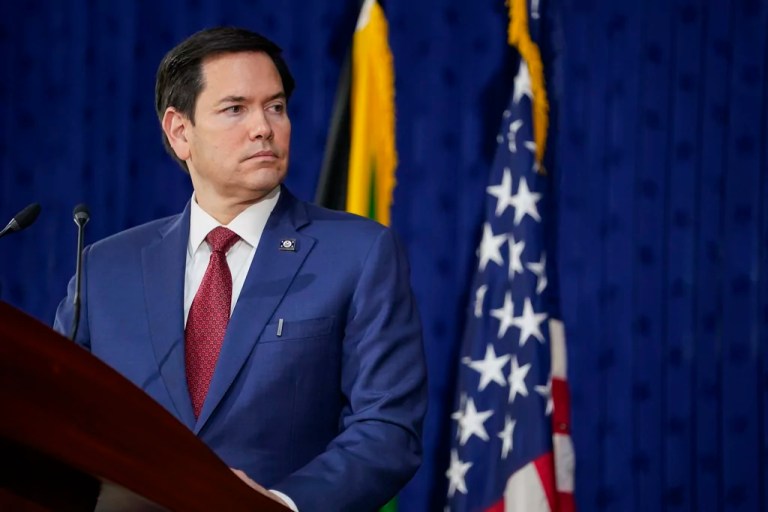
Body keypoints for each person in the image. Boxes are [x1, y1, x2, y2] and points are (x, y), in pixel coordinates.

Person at [54, 26, 426, 512]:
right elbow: (55, 414)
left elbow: (387, 428)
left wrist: (280, 504)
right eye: (236, 109)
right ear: (179, 131)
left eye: (275, 107)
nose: (263, 127)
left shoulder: (358, 253)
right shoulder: (105, 267)